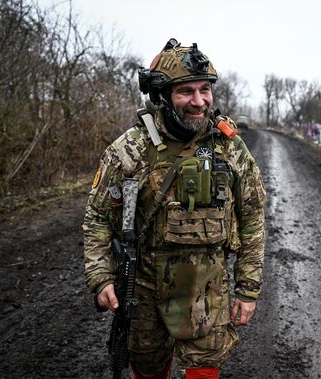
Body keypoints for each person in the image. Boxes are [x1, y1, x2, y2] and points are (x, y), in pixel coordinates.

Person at [82, 38, 266, 379]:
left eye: (204, 90)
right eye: (186, 92)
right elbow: (97, 218)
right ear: (163, 96)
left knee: (205, 367)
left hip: (207, 285)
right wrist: (101, 276)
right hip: (145, 287)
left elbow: (253, 217)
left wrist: (248, 288)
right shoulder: (130, 150)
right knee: (148, 364)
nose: (199, 102)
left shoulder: (229, 148)